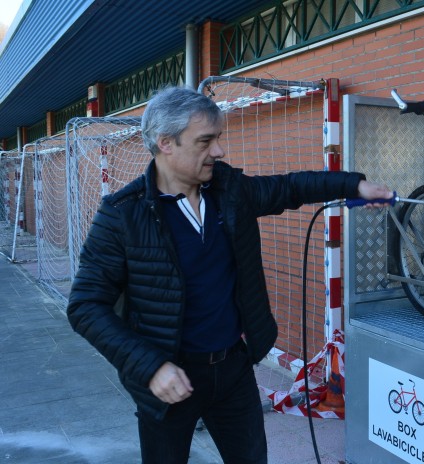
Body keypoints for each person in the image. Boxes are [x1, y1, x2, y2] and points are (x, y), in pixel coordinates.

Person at [67, 85, 393, 463]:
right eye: (205, 141)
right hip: (168, 377)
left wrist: (355, 184)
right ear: (166, 143)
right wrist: (150, 367)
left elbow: (290, 187)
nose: (219, 151)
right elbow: (85, 306)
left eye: (218, 139)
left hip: (233, 370)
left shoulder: (229, 190)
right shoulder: (122, 214)